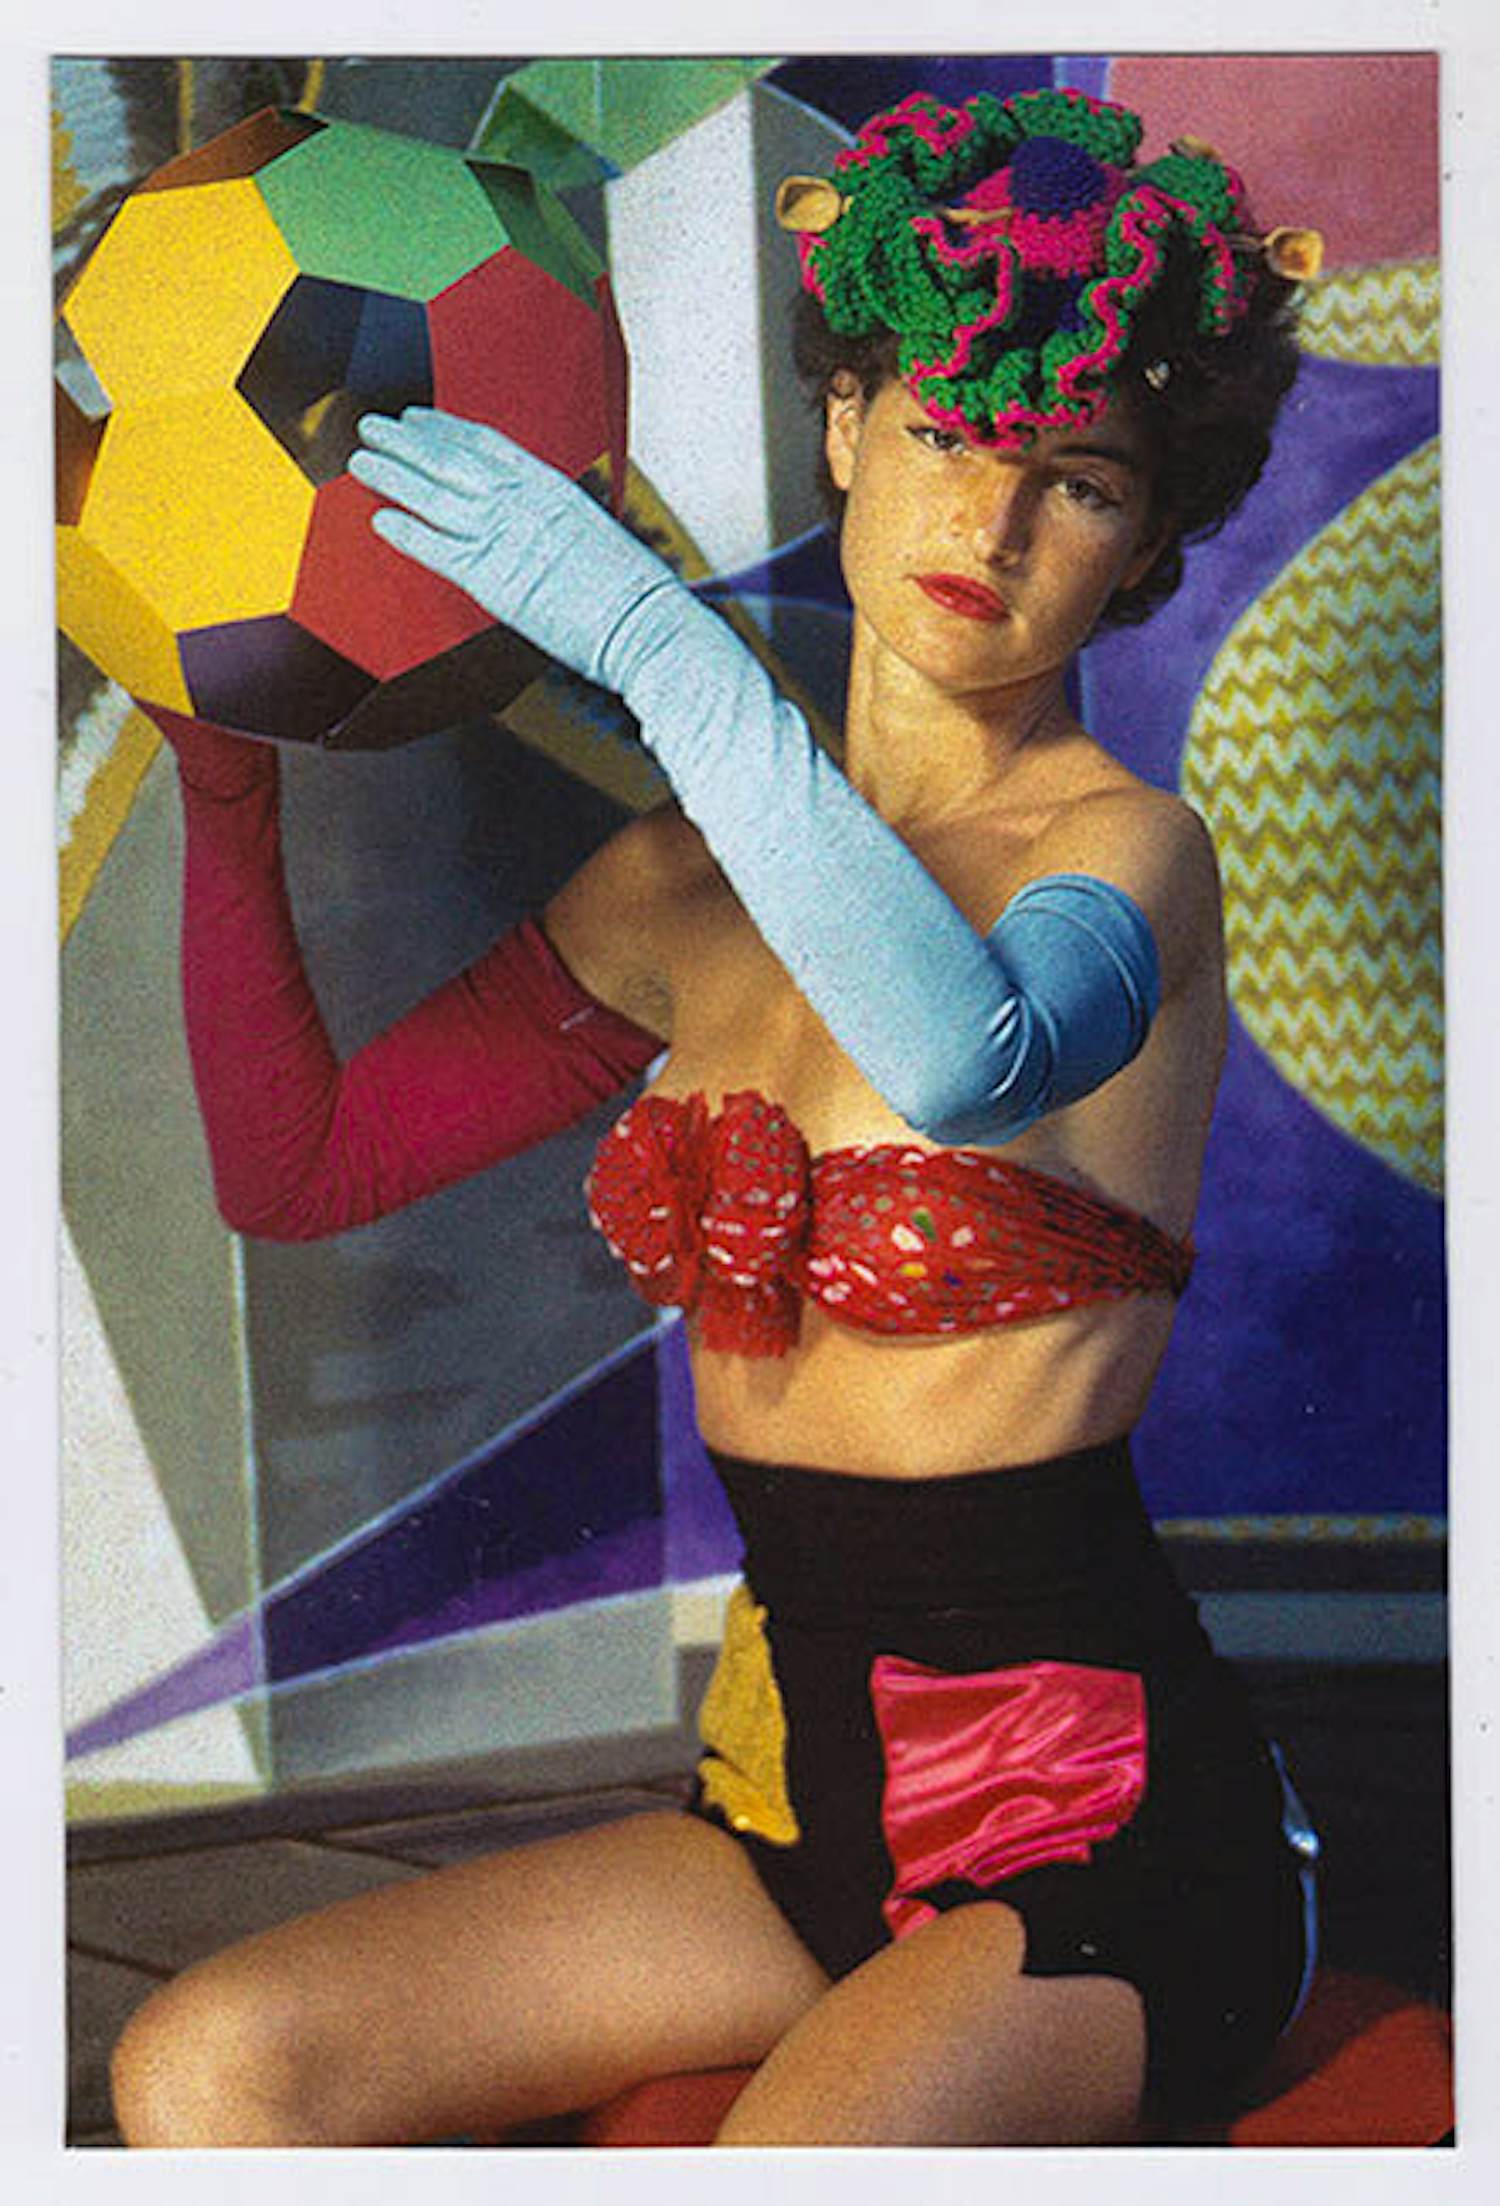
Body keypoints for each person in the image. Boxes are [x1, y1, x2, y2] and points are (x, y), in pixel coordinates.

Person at [110, 87, 1324, 2147]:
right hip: (784, 1809)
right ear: (843, 424)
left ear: (1145, 543)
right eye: (945, 434)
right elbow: (304, 1167)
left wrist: (667, 655)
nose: (992, 526)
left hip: (1112, 1839)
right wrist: (224, 781)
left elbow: (962, 1056)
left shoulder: (1127, 856)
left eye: (1080, 479)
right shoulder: (678, 887)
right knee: (209, 2070)